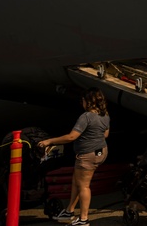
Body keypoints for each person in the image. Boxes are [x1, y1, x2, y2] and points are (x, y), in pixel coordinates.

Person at [39, 89, 110, 226]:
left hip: (88, 155)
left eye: (82, 100)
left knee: (84, 186)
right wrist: (92, 137)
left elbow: (71, 137)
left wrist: (49, 141)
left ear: (89, 101)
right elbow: (105, 135)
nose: (82, 103)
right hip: (101, 152)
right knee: (76, 181)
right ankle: (69, 211)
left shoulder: (86, 117)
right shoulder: (105, 115)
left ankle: (83, 220)